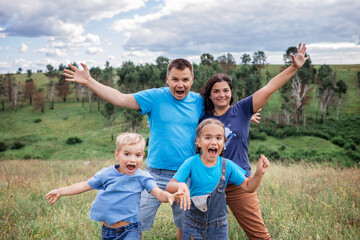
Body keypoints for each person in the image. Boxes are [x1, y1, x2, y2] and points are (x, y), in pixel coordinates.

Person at [63, 59, 203, 239]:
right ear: (167, 79)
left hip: (184, 175)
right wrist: (90, 81)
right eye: (175, 79)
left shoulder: (199, 101)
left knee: (187, 225)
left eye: (185, 79)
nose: (180, 84)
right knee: (134, 222)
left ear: (192, 79)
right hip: (154, 174)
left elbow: (224, 112)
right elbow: (120, 98)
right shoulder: (155, 97)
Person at [200, 43, 309, 239]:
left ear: (231, 93)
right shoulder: (203, 119)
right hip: (208, 183)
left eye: (226, 90)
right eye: (216, 91)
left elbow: (269, 88)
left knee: (259, 236)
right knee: (201, 234)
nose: (221, 94)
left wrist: (294, 67)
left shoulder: (242, 110)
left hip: (239, 183)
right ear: (209, 95)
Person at [45, 133, 184, 240]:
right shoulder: (106, 174)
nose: (132, 159)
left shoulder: (143, 177)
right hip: (108, 230)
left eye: (137, 155)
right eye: (127, 154)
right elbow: (85, 185)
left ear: (143, 156)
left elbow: (158, 193)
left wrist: (170, 196)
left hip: (131, 229)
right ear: (117, 155)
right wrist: (60, 191)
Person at [166, 118, 270, 240]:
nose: (214, 142)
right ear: (198, 142)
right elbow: (169, 186)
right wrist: (180, 186)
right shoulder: (191, 163)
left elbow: (248, 187)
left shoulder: (228, 166)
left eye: (219, 138)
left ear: (224, 142)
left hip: (218, 228)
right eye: (208, 137)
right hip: (193, 225)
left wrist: (259, 174)